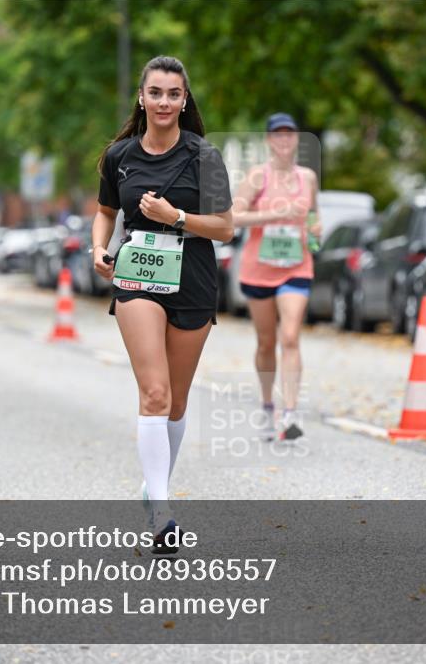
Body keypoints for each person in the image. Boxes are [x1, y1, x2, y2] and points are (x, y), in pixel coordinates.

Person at [91, 56, 233, 550]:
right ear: (142, 97)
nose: (165, 102)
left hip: (192, 277)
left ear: (185, 100)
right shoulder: (120, 156)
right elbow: (106, 212)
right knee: (154, 394)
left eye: (174, 94)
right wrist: (98, 248)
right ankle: (162, 514)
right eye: (156, 92)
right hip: (136, 279)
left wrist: (176, 218)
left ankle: (154, 491)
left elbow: (225, 226)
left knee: (175, 400)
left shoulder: (204, 156)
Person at [231, 113, 321, 441]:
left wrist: (315, 231)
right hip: (259, 269)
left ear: (296, 138)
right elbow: (233, 217)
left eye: (290, 134)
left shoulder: (307, 178)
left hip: (296, 267)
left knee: (291, 336)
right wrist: (275, 214)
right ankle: (268, 405)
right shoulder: (257, 177)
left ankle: (291, 413)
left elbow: (313, 216)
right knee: (266, 342)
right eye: (277, 135)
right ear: (269, 140)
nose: (284, 140)